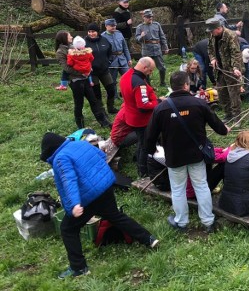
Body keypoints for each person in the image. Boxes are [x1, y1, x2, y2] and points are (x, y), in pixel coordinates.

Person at [40, 132, 158, 279]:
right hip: (106, 186)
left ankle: (79, 268)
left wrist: (75, 204)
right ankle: (149, 239)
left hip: (88, 198)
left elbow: (69, 181)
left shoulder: (60, 158)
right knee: (116, 216)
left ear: (51, 150)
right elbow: (101, 156)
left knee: (68, 229)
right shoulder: (81, 144)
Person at [145, 71, 228, 233]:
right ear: (186, 85)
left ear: (171, 87)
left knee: (178, 189)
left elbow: (150, 136)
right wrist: (224, 130)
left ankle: (181, 222)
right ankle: (208, 221)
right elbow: (217, 125)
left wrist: (151, 150)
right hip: (196, 154)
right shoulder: (199, 104)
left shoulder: (161, 108)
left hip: (174, 156)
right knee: (201, 186)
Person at [55, 31, 111, 129]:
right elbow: (67, 69)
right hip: (75, 81)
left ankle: (104, 123)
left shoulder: (73, 47)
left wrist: (87, 70)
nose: (71, 37)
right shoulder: (60, 52)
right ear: (64, 38)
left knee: (93, 100)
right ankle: (80, 126)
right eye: (69, 36)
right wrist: (82, 72)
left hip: (85, 78)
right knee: (79, 103)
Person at [120, 57, 161, 177]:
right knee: (145, 145)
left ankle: (139, 163)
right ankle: (143, 171)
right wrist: (158, 102)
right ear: (144, 67)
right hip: (141, 120)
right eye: (150, 70)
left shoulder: (127, 75)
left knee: (141, 142)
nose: (151, 73)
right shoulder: (139, 84)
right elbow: (143, 106)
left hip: (131, 116)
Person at [206, 18, 243, 122]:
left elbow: (235, 53)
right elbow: (209, 49)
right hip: (219, 70)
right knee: (222, 94)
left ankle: (237, 118)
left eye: (212, 31)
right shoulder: (212, 35)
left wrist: (235, 68)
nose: (211, 33)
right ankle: (228, 114)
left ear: (218, 28)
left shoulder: (230, 35)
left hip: (230, 70)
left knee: (233, 94)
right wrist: (213, 59)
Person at [86, 23, 118, 114]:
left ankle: (111, 107)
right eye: (89, 31)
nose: (91, 33)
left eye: (93, 32)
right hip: (92, 72)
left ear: (98, 32)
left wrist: (107, 62)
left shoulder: (104, 40)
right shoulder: (84, 43)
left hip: (104, 71)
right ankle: (101, 111)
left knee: (111, 89)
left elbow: (109, 52)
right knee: (97, 93)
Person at [135, 9, 169, 87]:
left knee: (162, 68)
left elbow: (162, 36)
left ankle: (163, 83)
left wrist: (165, 47)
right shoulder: (140, 27)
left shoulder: (157, 25)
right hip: (147, 49)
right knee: (146, 69)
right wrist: (141, 36)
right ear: (143, 17)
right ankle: (148, 85)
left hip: (157, 48)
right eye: (148, 17)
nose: (150, 18)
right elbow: (137, 39)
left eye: (151, 17)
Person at [102, 18, 132, 85]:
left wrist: (129, 59)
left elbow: (125, 48)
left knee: (128, 77)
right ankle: (114, 95)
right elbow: (102, 52)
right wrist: (106, 62)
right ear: (106, 26)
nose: (114, 27)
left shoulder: (119, 33)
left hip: (122, 59)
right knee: (113, 81)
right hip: (112, 61)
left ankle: (125, 93)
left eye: (114, 25)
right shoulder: (103, 37)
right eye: (111, 26)